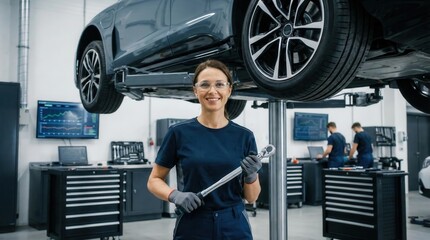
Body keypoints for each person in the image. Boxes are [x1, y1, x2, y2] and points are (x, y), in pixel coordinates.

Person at [147, 59, 261, 240]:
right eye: (205, 85)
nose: (212, 91)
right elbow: (154, 180)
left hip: (234, 223)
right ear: (195, 90)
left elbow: (252, 197)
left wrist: (251, 176)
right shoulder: (178, 133)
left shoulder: (245, 136)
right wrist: (174, 195)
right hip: (193, 222)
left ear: (229, 90)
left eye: (220, 84)